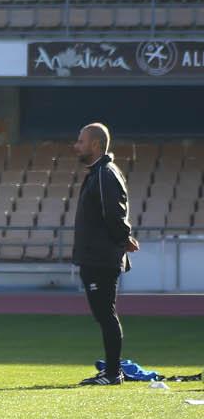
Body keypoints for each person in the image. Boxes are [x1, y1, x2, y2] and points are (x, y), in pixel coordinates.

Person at [71, 122, 139, 386]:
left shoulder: (105, 174)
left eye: (81, 141)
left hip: (100, 258)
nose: (76, 146)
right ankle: (111, 371)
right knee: (104, 314)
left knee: (106, 314)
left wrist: (123, 238)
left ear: (96, 145)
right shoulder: (98, 173)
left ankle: (112, 373)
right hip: (95, 256)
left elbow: (115, 212)